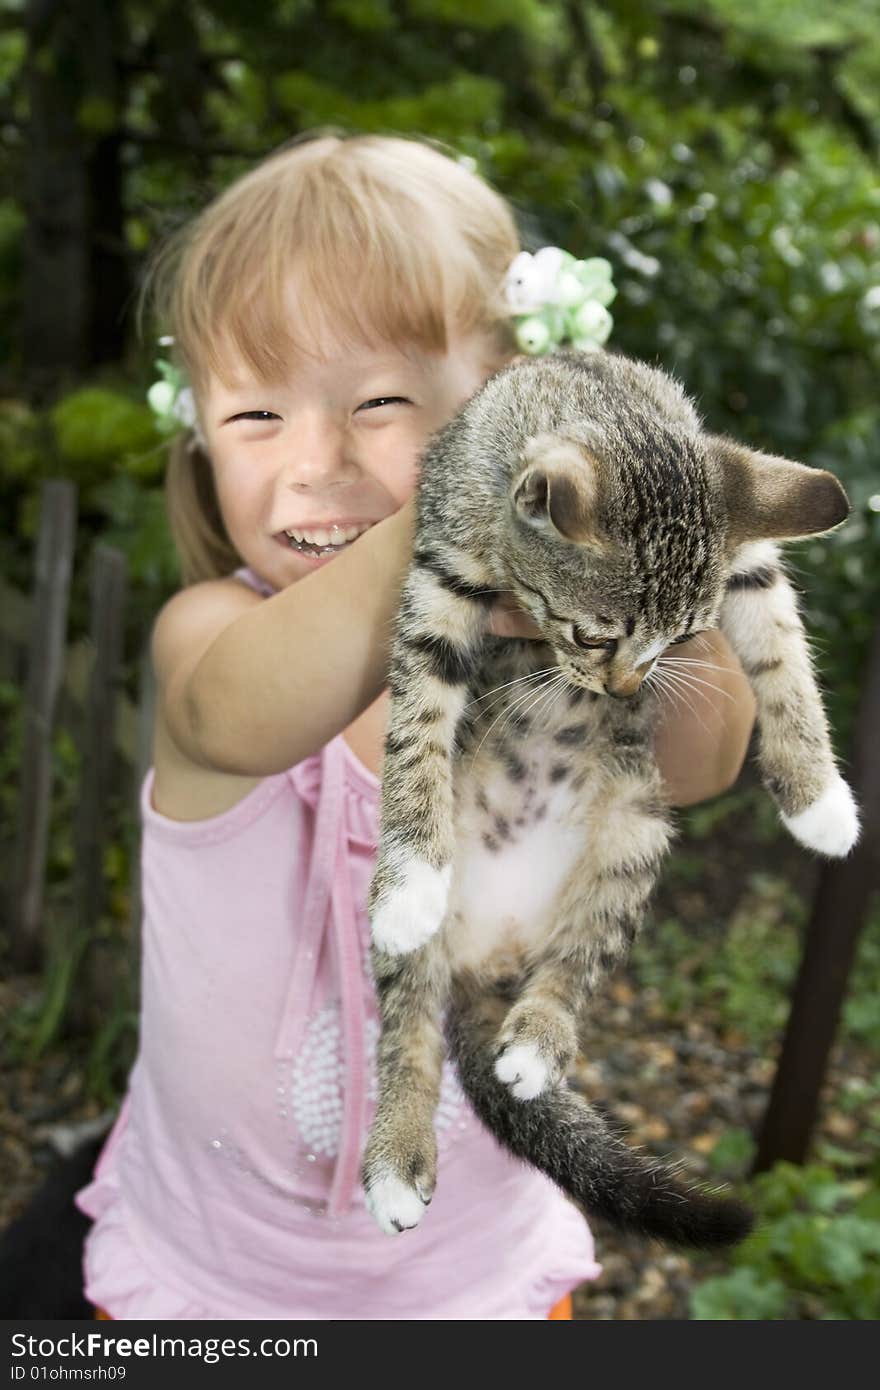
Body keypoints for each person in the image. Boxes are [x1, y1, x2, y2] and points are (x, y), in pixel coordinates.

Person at [74, 131, 756, 1320]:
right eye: (254, 417)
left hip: (467, 1277)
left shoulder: (557, 668)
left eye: (379, 401)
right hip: (210, 1288)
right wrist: (444, 511)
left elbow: (703, 765)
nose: (313, 463)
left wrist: (652, 564)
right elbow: (229, 714)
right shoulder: (209, 636)